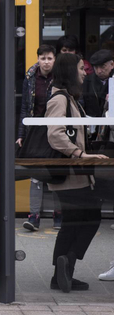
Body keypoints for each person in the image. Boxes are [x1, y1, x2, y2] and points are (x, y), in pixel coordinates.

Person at [46, 53, 107, 293]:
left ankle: (61, 272)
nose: (85, 72)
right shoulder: (59, 99)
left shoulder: (70, 98)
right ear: (71, 71)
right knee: (90, 217)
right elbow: (55, 134)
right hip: (69, 173)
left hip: (74, 173)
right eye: (82, 68)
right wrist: (79, 154)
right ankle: (67, 263)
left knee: (74, 222)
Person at [18, 45, 62, 231]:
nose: (46, 62)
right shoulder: (30, 77)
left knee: (56, 173)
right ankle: (34, 216)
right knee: (36, 176)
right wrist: (21, 133)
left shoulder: (61, 77)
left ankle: (58, 215)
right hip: (35, 129)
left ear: (55, 59)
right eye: (42, 58)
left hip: (56, 128)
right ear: (38, 59)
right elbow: (24, 106)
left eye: (49, 58)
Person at [80, 49, 113, 118]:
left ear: (112, 65)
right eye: (96, 67)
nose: (99, 71)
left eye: (102, 67)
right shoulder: (86, 81)